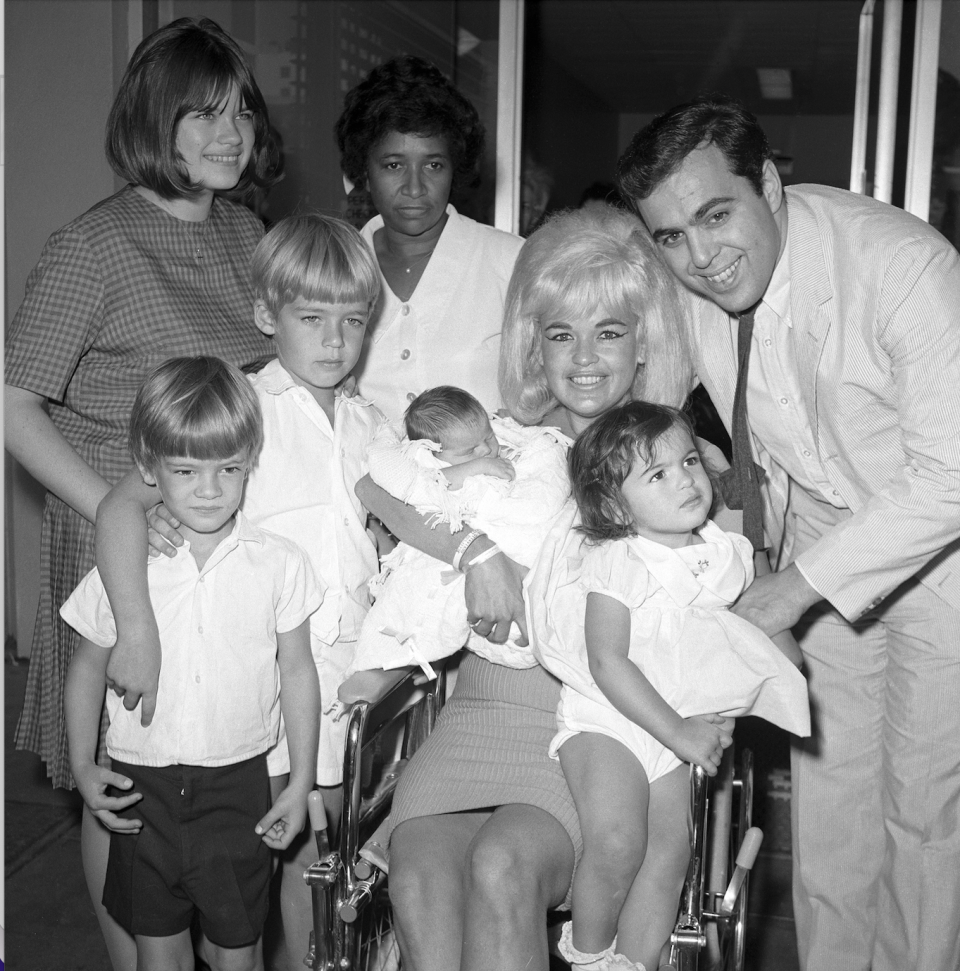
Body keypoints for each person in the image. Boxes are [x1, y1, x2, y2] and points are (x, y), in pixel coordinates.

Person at [617, 94, 960, 971]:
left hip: (941, 551)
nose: (701, 258)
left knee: (922, 815)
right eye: (671, 238)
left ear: (768, 183)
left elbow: (950, 475)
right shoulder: (698, 287)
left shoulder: (905, 267)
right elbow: (652, 417)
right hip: (817, 536)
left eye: (716, 215)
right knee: (833, 806)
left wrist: (789, 591)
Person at [4, 17, 280, 968]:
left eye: (239, 109)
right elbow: (11, 404)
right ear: (151, 123)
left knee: (214, 766)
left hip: (217, 524)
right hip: (119, 535)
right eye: (201, 113)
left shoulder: (248, 230)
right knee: (127, 775)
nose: (229, 132)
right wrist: (109, 508)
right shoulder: (94, 244)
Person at [354, 206, 695, 971]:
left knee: (502, 864)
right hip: (476, 707)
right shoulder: (498, 435)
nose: (582, 357)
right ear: (532, 344)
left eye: (609, 330)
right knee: (417, 869)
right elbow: (376, 485)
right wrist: (472, 549)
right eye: (559, 332)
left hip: (589, 727)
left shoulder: (676, 459)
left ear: (645, 343)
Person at [94, 213, 385, 968]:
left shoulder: (372, 424)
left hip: (351, 683)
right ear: (266, 316)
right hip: (261, 690)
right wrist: (136, 627)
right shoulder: (241, 405)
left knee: (335, 861)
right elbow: (125, 502)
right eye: (312, 318)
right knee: (276, 867)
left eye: (353, 321)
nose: (333, 340)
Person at [529, 400, 809, 971]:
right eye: (658, 475)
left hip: (680, 727)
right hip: (610, 718)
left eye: (688, 461)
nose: (686, 480)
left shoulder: (722, 555)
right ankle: (590, 955)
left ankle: (630, 962)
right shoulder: (617, 559)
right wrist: (678, 731)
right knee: (618, 841)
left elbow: (759, 626)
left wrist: (787, 669)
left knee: (673, 851)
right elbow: (608, 663)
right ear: (613, 503)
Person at [62, 357, 320, 971]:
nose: (210, 489)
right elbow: (86, 668)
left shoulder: (279, 563)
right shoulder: (126, 568)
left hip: (239, 783)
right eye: (186, 470)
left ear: (249, 463)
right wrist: (80, 763)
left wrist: (302, 780)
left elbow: (298, 672)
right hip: (139, 783)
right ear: (149, 468)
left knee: (238, 951)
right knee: (159, 956)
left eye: (229, 468)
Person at [334, 54, 524, 420]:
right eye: (393, 165)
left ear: (455, 169)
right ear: (364, 171)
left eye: (433, 165)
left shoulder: (511, 262)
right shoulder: (334, 268)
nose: (415, 188)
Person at [345, 385, 569, 680]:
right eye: (470, 451)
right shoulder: (422, 463)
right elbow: (428, 485)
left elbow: (540, 491)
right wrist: (479, 468)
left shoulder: (523, 441)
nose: (487, 449)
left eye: (488, 437)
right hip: (480, 563)